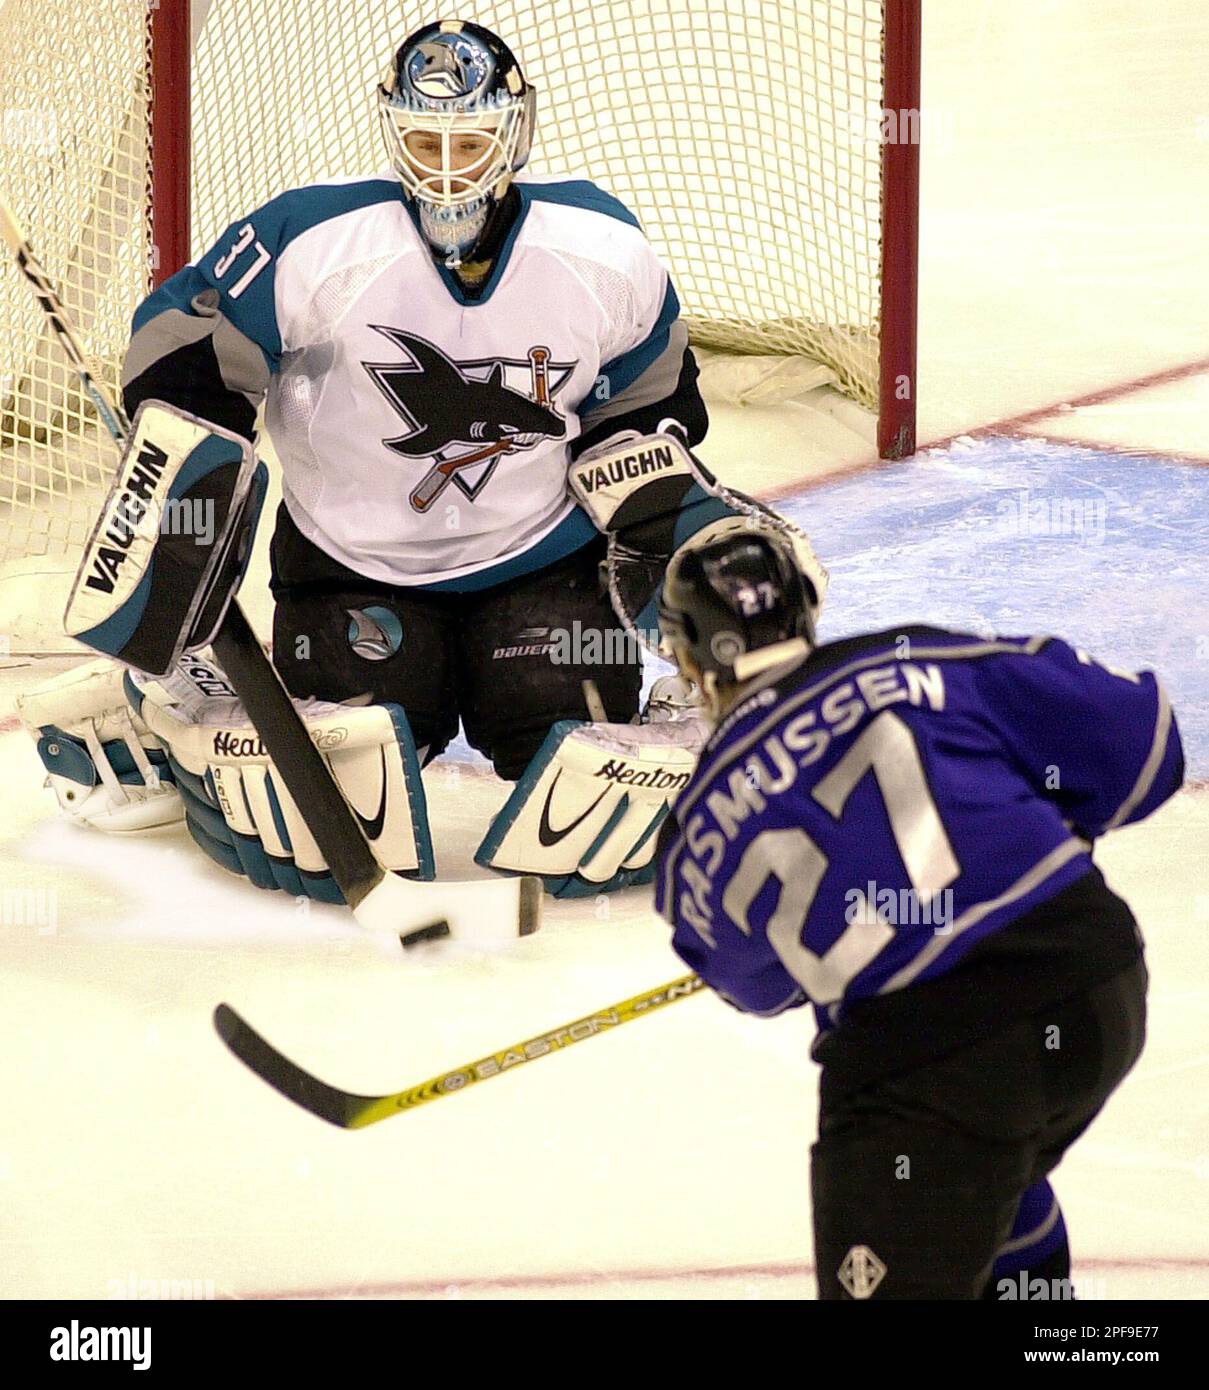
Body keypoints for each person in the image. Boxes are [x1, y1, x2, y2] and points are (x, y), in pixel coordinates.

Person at [31, 21, 822, 900]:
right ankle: (159, 711)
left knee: (586, 753)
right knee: (334, 797)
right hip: (350, 572)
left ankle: (681, 705)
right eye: (423, 138)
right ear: (390, 129)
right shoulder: (313, 239)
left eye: (471, 138)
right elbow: (180, 352)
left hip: (541, 566)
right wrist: (189, 463)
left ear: (515, 133)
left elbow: (647, 402)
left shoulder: (603, 249)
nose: (447, 164)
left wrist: (664, 512)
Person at [654, 523, 1183, 1299]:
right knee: (996, 1180)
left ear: (694, 661)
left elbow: (755, 986)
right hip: (1090, 981)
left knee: (955, 1167)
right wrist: (1043, 823)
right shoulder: (916, 661)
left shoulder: (692, 832)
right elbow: (1147, 742)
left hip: (926, 1065)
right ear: (803, 610)